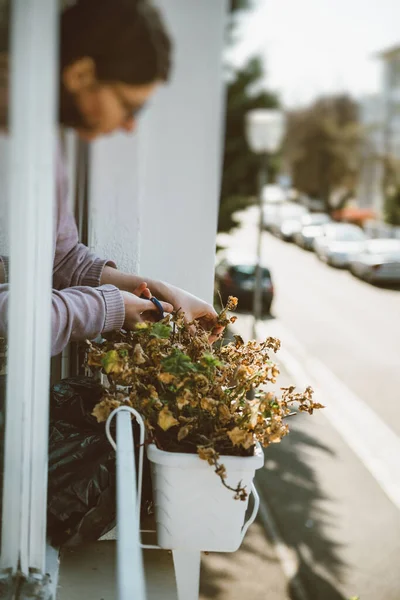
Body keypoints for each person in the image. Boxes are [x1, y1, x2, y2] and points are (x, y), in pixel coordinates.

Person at [0, 0, 223, 356]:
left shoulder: (43, 141)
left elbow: (62, 258)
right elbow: (13, 316)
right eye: (131, 106)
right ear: (81, 74)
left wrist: (158, 289)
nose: (130, 125)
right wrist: (107, 308)